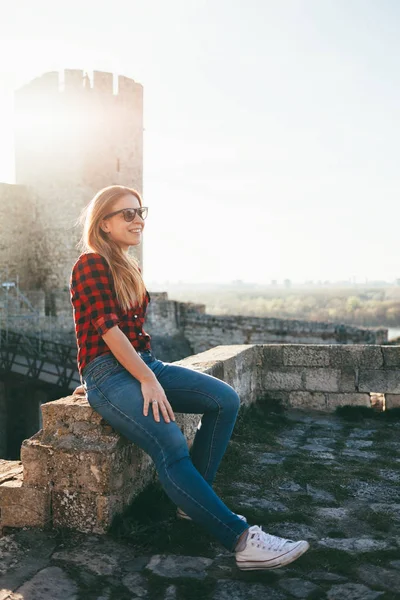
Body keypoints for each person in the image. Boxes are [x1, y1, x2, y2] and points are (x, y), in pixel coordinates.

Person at [69, 184, 310, 570]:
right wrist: (136, 381)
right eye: (127, 214)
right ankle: (242, 540)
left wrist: (147, 372)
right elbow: (108, 331)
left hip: (142, 363)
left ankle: (192, 504)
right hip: (113, 373)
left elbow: (131, 338)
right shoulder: (91, 264)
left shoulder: (127, 267)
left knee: (225, 400)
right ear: (104, 223)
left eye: (140, 211)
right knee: (169, 444)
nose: (138, 220)